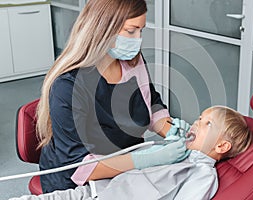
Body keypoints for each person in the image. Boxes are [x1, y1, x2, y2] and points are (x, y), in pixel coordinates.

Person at [36, 0, 190, 193]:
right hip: (77, 183)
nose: (138, 40)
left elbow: (150, 103)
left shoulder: (132, 61)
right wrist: (150, 159)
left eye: (141, 30)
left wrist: (170, 130)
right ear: (103, 29)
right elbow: (78, 166)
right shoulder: (68, 86)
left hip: (127, 165)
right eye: (131, 31)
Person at [12, 105, 253, 200]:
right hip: (93, 192)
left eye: (207, 124)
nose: (196, 123)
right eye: (200, 118)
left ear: (221, 146)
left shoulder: (202, 174)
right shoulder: (174, 151)